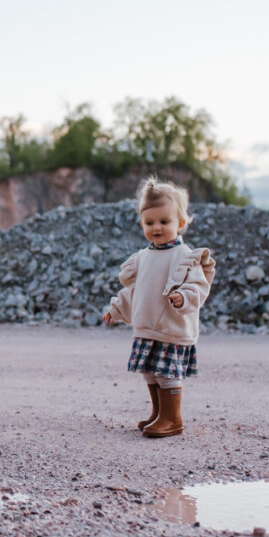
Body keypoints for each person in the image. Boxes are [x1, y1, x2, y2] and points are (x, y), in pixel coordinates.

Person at [101, 177, 215, 438]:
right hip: (147, 328)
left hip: (170, 328)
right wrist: (117, 309)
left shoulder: (185, 256)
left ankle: (172, 418)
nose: (157, 228)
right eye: (149, 222)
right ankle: (158, 413)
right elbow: (134, 291)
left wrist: (183, 298)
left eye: (164, 222)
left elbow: (198, 286)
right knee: (150, 373)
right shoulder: (142, 258)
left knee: (166, 374)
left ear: (181, 223)